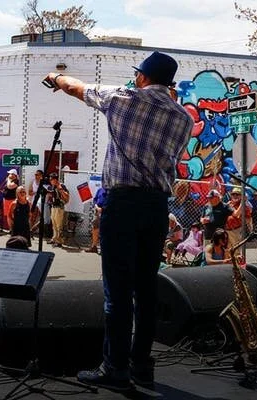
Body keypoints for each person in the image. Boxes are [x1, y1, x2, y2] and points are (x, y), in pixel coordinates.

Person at [48, 51, 193, 390]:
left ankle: (115, 367)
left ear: (142, 77)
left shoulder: (122, 99)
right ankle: (141, 365)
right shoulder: (184, 119)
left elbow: (75, 87)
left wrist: (56, 79)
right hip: (157, 206)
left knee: (117, 292)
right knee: (145, 291)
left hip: (123, 203)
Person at [47, 173, 69, 247]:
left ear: (55, 179)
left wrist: (60, 190)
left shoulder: (61, 186)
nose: (50, 181)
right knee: (54, 223)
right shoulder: (52, 186)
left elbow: (67, 196)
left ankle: (59, 241)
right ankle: (54, 238)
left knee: (59, 224)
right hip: (53, 206)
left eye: (51, 179)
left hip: (59, 207)